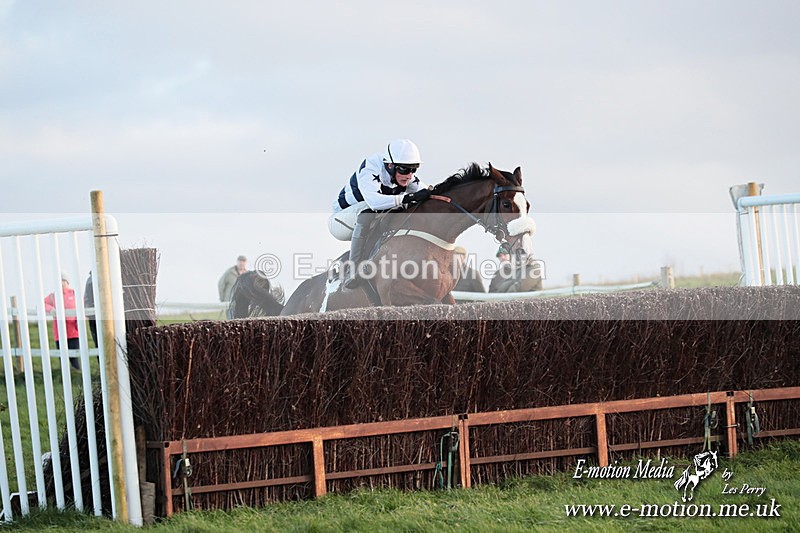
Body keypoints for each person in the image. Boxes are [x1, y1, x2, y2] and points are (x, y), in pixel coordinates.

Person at [328, 139, 430, 289]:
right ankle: (353, 269)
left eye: (414, 169)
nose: (409, 176)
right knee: (372, 210)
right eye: (404, 170)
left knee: (403, 209)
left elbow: (426, 192)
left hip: (365, 220)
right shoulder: (370, 169)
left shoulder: (405, 176)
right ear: (390, 165)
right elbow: (375, 202)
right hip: (340, 221)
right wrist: (408, 197)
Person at [44, 273, 80, 369]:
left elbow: (82, 307)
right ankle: (64, 375)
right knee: (62, 355)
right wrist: (51, 309)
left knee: (74, 355)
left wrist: (78, 320)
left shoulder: (75, 294)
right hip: (59, 331)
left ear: (68, 282)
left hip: (73, 331)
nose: (62, 283)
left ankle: (77, 373)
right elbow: (43, 303)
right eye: (60, 281)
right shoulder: (53, 296)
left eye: (64, 281)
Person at [84, 271, 98, 347]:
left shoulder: (89, 280)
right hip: (94, 314)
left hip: (92, 315)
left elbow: (86, 298)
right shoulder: (91, 280)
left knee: (97, 341)